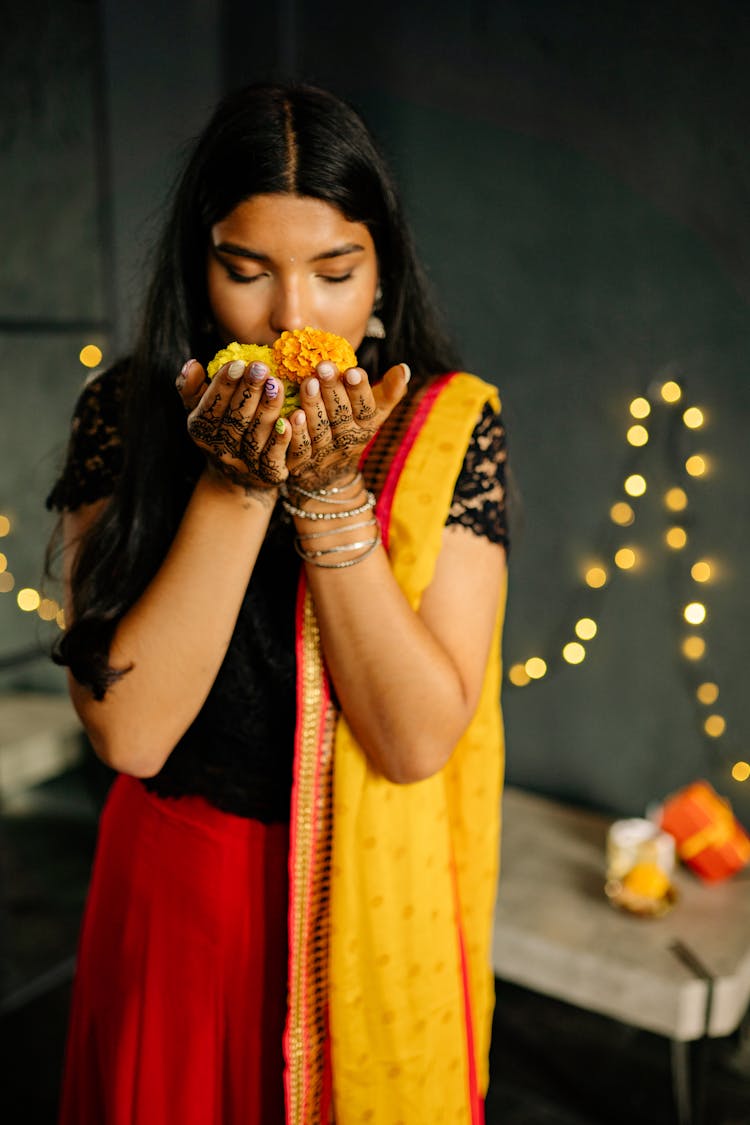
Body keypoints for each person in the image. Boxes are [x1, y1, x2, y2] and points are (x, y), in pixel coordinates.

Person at [47, 82, 509, 1125]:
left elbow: (416, 741)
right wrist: (242, 479)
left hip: (369, 905)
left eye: (335, 272)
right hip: (179, 895)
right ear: (196, 269)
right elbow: (131, 732)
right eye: (245, 272)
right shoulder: (128, 410)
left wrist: (331, 489)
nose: (294, 318)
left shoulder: (447, 426)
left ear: (382, 274)